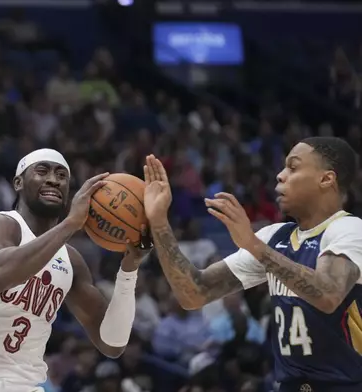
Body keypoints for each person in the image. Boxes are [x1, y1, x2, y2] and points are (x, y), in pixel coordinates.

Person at [142, 137, 362, 392]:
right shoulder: (275, 237)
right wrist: (158, 222)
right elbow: (194, 292)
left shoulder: (350, 229)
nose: (280, 176)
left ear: (326, 179)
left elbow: (328, 294)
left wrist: (253, 246)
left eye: (293, 167)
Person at [0, 148, 151, 392]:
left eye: (61, 175)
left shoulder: (71, 260)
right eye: (42, 171)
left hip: (26, 386)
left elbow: (112, 344)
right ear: (18, 182)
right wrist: (69, 224)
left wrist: (129, 269)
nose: (53, 179)